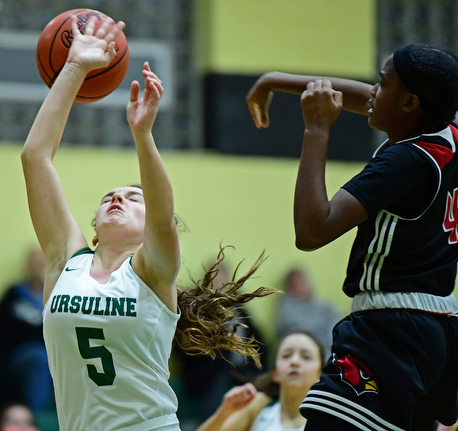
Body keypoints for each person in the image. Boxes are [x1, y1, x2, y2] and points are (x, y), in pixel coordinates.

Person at [21, 16, 277, 431]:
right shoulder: (63, 262)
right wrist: (75, 67)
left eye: (132, 197)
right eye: (109, 197)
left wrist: (143, 135)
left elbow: (162, 215)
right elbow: (35, 158)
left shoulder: (152, 272)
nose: (117, 197)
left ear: (148, 235)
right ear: (94, 230)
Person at [246, 44, 458, 431]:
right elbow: (362, 97)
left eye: (381, 85)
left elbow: (312, 231)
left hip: (389, 331)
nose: (370, 91)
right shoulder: (447, 134)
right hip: (439, 331)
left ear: (408, 103)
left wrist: (316, 129)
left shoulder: (406, 161)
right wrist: (275, 82)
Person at [173, 260, 268, 426]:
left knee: (256, 384)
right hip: (209, 372)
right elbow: (183, 347)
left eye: (224, 283)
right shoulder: (197, 311)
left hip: (242, 370)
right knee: (221, 379)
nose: (220, 287)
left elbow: (260, 343)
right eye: (215, 282)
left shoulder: (241, 310)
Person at [196, 330, 325, 431]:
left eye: (306, 357)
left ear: (320, 375)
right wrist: (223, 412)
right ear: (275, 373)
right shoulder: (258, 406)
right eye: (286, 355)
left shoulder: (328, 421)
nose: (294, 362)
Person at [0, 248, 54, 413]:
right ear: (28, 266)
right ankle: (36, 419)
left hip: (52, 353)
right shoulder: (14, 294)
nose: (37, 268)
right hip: (20, 355)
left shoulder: (55, 294)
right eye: (34, 264)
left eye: (41, 264)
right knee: (39, 357)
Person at [275, 267, 342, 348]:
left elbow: (339, 325)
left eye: (302, 282)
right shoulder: (286, 313)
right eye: (295, 285)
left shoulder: (325, 307)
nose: (300, 287)